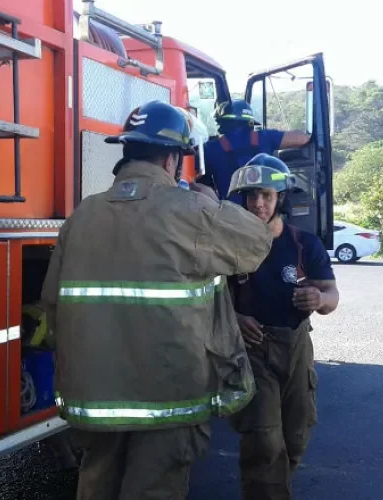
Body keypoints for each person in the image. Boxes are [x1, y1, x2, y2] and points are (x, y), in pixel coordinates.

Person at [40, 100, 274, 500]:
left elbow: (51, 308)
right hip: (167, 398)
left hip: (95, 397)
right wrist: (206, 198)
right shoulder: (190, 209)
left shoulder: (82, 216)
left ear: (126, 151)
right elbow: (256, 242)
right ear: (172, 158)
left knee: (96, 486)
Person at [225, 153, 340, 500]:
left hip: (296, 348)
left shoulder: (305, 244)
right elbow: (209, 299)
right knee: (263, 438)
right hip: (252, 351)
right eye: (251, 196)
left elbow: (331, 293)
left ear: (281, 200)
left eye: (266, 196)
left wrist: (319, 301)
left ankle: (273, 491)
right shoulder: (230, 247)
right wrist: (234, 319)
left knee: (296, 435)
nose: (258, 203)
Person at [201, 99, 312, 204]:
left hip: (232, 216)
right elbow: (303, 138)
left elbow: (192, 179)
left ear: (222, 122)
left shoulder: (210, 148)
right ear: (250, 121)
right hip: (265, 210)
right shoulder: (265, 137)